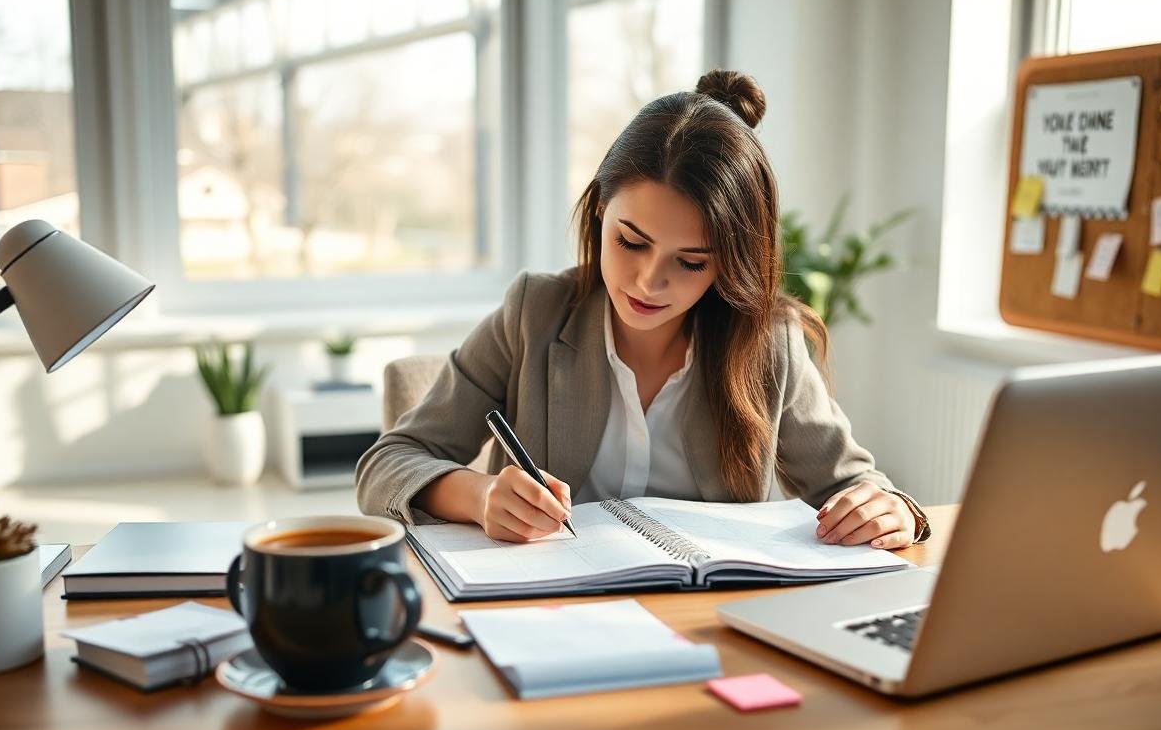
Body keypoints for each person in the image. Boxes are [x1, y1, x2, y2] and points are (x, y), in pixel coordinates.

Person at [357, 69, 929, 550]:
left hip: (705, 623)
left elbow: (854, 486)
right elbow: (389, 463)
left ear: (730, 262)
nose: (649, 282)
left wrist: (889, 511)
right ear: (600, 209)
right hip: (552, 613)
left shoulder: (766, 340)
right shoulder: (535, 312)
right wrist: (480, 495)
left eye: (691, 262)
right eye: (630, 242)